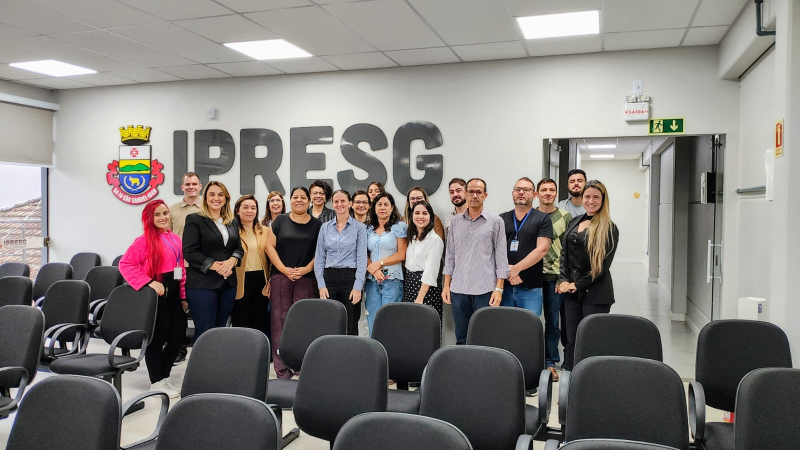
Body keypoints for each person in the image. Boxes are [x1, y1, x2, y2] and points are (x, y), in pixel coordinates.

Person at [119, 200, 187, 398]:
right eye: (157, 214)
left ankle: (164, 376)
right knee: (157, 339)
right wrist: (149, 282)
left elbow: (180, 270)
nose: (162, 217)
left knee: (178, 336)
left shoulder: (175, 238)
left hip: (173, 293)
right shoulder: (143, 241)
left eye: (165, 213)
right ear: (149, 218)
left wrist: (183, 296)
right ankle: (156, 381)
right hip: (156, 295)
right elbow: (125, 264)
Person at [558, 180, 619, 371]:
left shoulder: (609, 228)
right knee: (571, 339)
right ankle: (570, 376)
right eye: (587, 196)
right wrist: (563, 280)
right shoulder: (575, 221)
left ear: (603, 200)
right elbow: (564, 253)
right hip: (571, 293)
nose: (591, 201)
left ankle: (591, 378)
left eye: (596, 197)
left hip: (596, 294)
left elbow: (601, 267)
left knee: (592, 339)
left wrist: (577, 284)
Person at [442, 178, 508, 345]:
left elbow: (501, 257)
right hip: (459, 290)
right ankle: (462, 363)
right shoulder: (455, 222)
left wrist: (499, 289)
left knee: (483, 337)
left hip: (485, 290)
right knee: (461, 338)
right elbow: (450, 255)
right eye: (471, 191)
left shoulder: (496, 222)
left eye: (479, 192)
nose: (474, 195)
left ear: (485, 195)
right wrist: (446, 285)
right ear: (465, 194)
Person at [265, 186, 322, 379]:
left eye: (303, 197)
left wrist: (306, 269)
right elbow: (269, 247)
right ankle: (281, 369)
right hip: (281, 276)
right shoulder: (280, 221)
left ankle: (300, 365)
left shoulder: (317, 225)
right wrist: (283, 269)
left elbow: (321, 251)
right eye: (295, 197)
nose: (299, 200)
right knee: (279, 321)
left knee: (303, 322)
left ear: (309, 201)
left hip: (306, 278)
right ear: (290, 200)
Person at [182, 181, 243, 343]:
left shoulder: (232, 221)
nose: (216, 198)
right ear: (205, 198)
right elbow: (190, 252)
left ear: (226, 198)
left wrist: (232, 261)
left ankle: (217, 359)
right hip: (202, 284)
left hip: (228, 285)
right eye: (212, 194)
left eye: (221, 195)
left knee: (220, 329)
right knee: (205, 331)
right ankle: (201, 360)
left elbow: (238, 248)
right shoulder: (195, 219)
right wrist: (216, 266)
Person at [314, 190, 368, 336]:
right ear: (332, 204)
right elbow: (319, 258)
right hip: (329, 278)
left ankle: (350, 351)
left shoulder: (360, 228)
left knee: (351, 324)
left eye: (343, 201)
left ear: (350, 203)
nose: (339, 204)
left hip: (350, 278)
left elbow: (362, 259)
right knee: (330, 322)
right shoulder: (325, 227)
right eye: (336, 201)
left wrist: (357, 287)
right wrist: (321, 285)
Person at [500, 177, 552, 317]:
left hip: (530, 288)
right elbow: (494, 250)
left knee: (529, 327)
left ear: (534, 194)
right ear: (513, 193)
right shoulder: (501, 219)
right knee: (504, 326)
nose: (521, 192)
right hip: (504, 286)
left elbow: (542, 249)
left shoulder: (543, 219)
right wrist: (508, 272)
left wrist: (516, 269)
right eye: (518, 189)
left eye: (526, 190)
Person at [537, 178, 572, 380]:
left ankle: (550, 362)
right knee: (531, 321)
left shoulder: (565, 217)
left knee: (552, 322)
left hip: (555, 278)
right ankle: (532, 359)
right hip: (532, 277)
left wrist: (563, 278)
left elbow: (568, 250)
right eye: (544, 190)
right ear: (537, 194)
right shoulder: (531, 215)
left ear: (556, 193)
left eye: (551, 190)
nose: (548, 193)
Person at [364, 192, 407, 335]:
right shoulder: (368, 228)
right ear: (374, 207)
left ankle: (390, 349)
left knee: (390, 319)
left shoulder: (399, 226)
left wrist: (380, 263)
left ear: (392, 207)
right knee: (372, 318)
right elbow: (364, 253)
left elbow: (402, 254)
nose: (382, 207)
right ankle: (373, 348)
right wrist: (374, 269)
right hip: (372, 280)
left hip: (392, 280)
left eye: (386, 204)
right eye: (379, 204)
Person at [231, 195, 271, 337]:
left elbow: (271, 258)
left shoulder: (265, 231)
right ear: (237, 210)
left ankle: (258, 350)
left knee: (258, 322)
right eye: (245, 207)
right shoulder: (231, 231)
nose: (250, 211)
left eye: (253, 208)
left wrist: (270, 279)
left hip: (261, 280)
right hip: (239, 281)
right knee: (241, 322)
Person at [404, 201, 444, 321]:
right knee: (410, 324)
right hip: (410, 284)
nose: (420, 216)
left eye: (425, 213)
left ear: (430, 217)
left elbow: (431, 271)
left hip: (426, 288)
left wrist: (420, 297)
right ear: (412, 216)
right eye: (417, 213)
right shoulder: (412, 237)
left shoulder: (434, 240)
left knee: (425, 324)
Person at [169, 172, 202, 238]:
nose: (191, 187)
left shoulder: (209, 208)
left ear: (200, 187)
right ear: (182, 187)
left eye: (194, 184)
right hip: (179, 245)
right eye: (187, 184)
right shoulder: (171, 210)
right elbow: (167, 236)